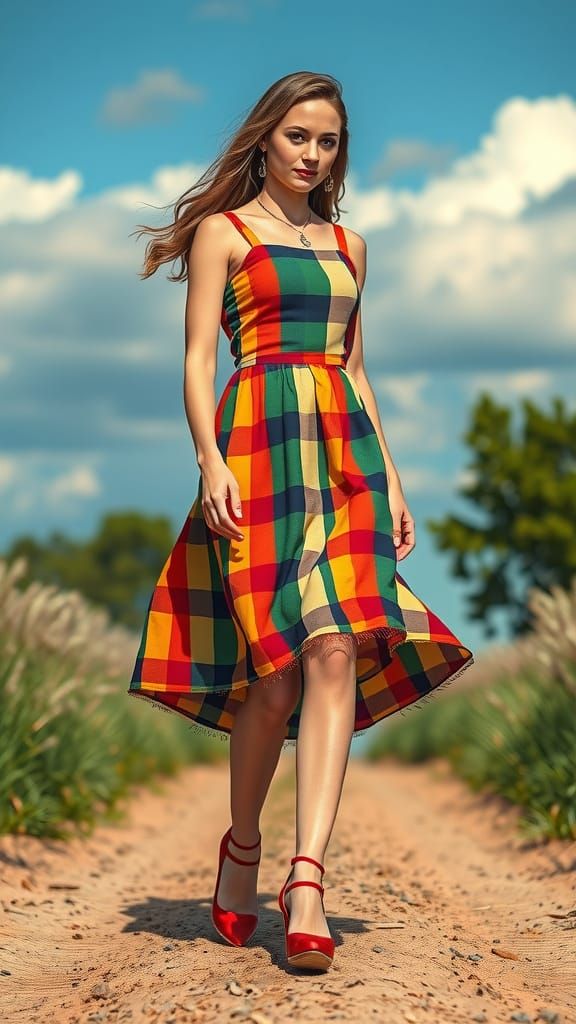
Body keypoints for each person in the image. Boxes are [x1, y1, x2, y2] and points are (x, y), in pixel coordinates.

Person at [127, 70, 475, 971]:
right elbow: (197, 361)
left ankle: (307, 877)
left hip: (345, 459)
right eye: (298, 137)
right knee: (275, 678)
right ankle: (242, 844)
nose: (313, 155)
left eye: (327, 141)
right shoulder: (225, 232)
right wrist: (209, 460)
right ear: (266, 139)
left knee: (336, 648)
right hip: (256, 450)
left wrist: (392, 480)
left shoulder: (351, 246)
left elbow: (354, 370)